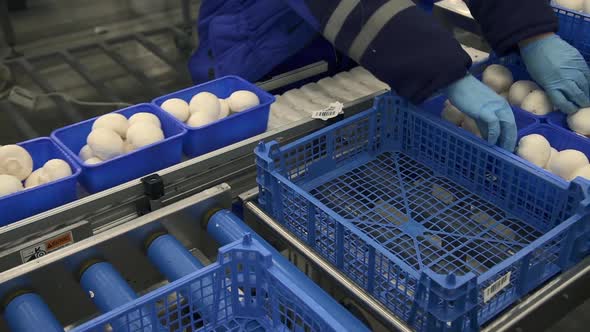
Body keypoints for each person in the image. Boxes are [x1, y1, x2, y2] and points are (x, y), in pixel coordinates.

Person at [189, 0, 590, 151]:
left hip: (380, 41)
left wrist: (530, 29)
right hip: (275, 48)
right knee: (277, 154)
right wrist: (436, 67)